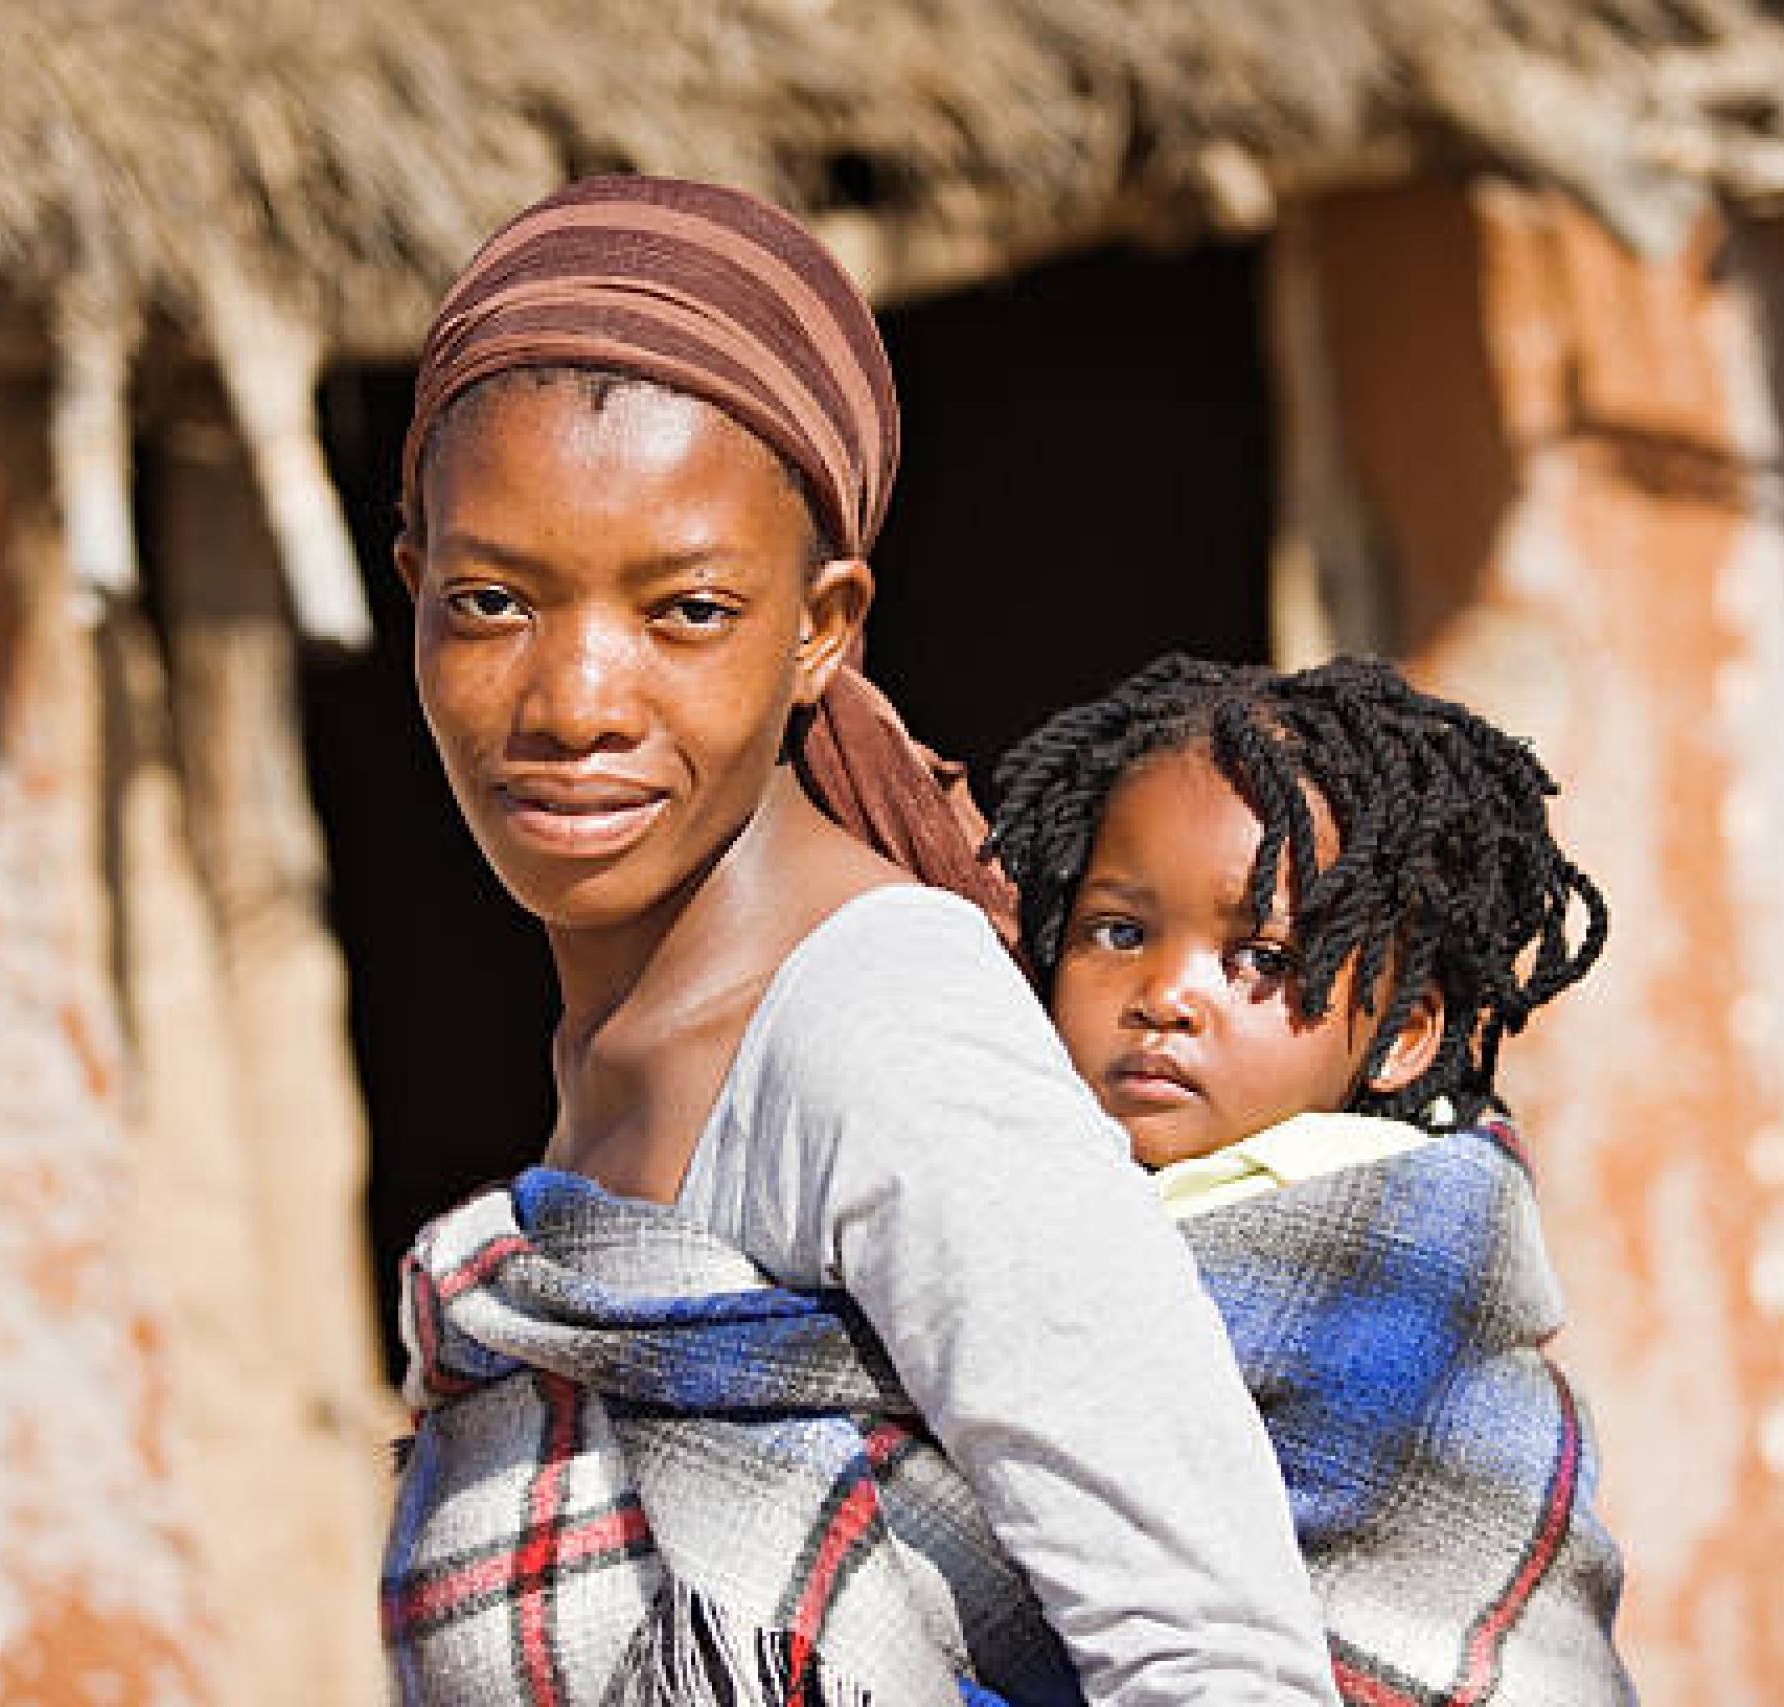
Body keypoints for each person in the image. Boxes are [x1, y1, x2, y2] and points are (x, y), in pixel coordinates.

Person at [380, 176, 1340, 1706]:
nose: (574, 701)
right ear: (413, 589)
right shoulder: (625, 1038)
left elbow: (1217, 1653)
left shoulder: (878, 1026)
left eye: (688, 610)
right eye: (493, 600)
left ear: (822, 625)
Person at [984, 652, 1638, 1703]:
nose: (1165, 995)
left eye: (1262, 959)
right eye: (1120, 932)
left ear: (1401, 1035)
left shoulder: (1382, 1230)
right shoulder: (1028, 1170)